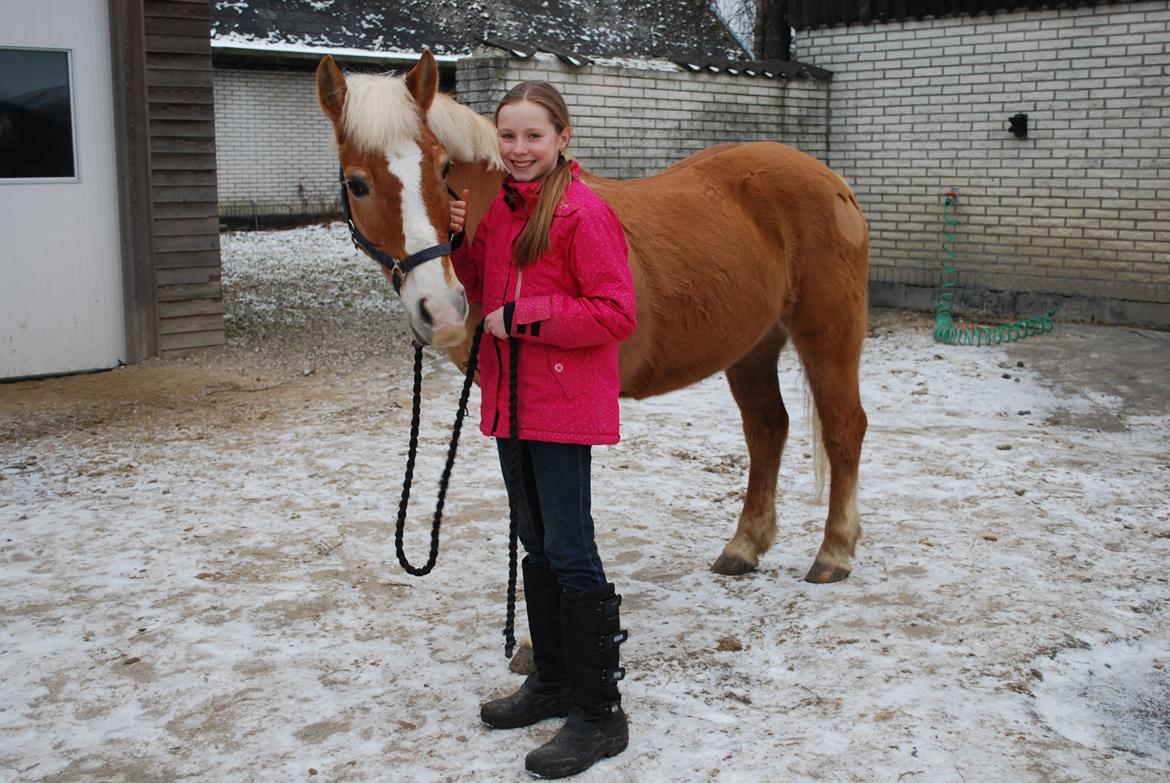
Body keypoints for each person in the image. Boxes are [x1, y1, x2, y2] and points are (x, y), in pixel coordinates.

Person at [446, 81, 637, 779]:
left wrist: (526, 319)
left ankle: (600, 712)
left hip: (561, 407)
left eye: (533, 135)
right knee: (535, 540)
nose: (519, 149)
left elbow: (616, 312)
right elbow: (481, 285)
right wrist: (461, 238)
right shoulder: (500, 208)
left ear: (563, 137)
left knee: (571, 547)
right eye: (508, 135)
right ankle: (552, 679)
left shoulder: (584, 213)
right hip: (511, 402)